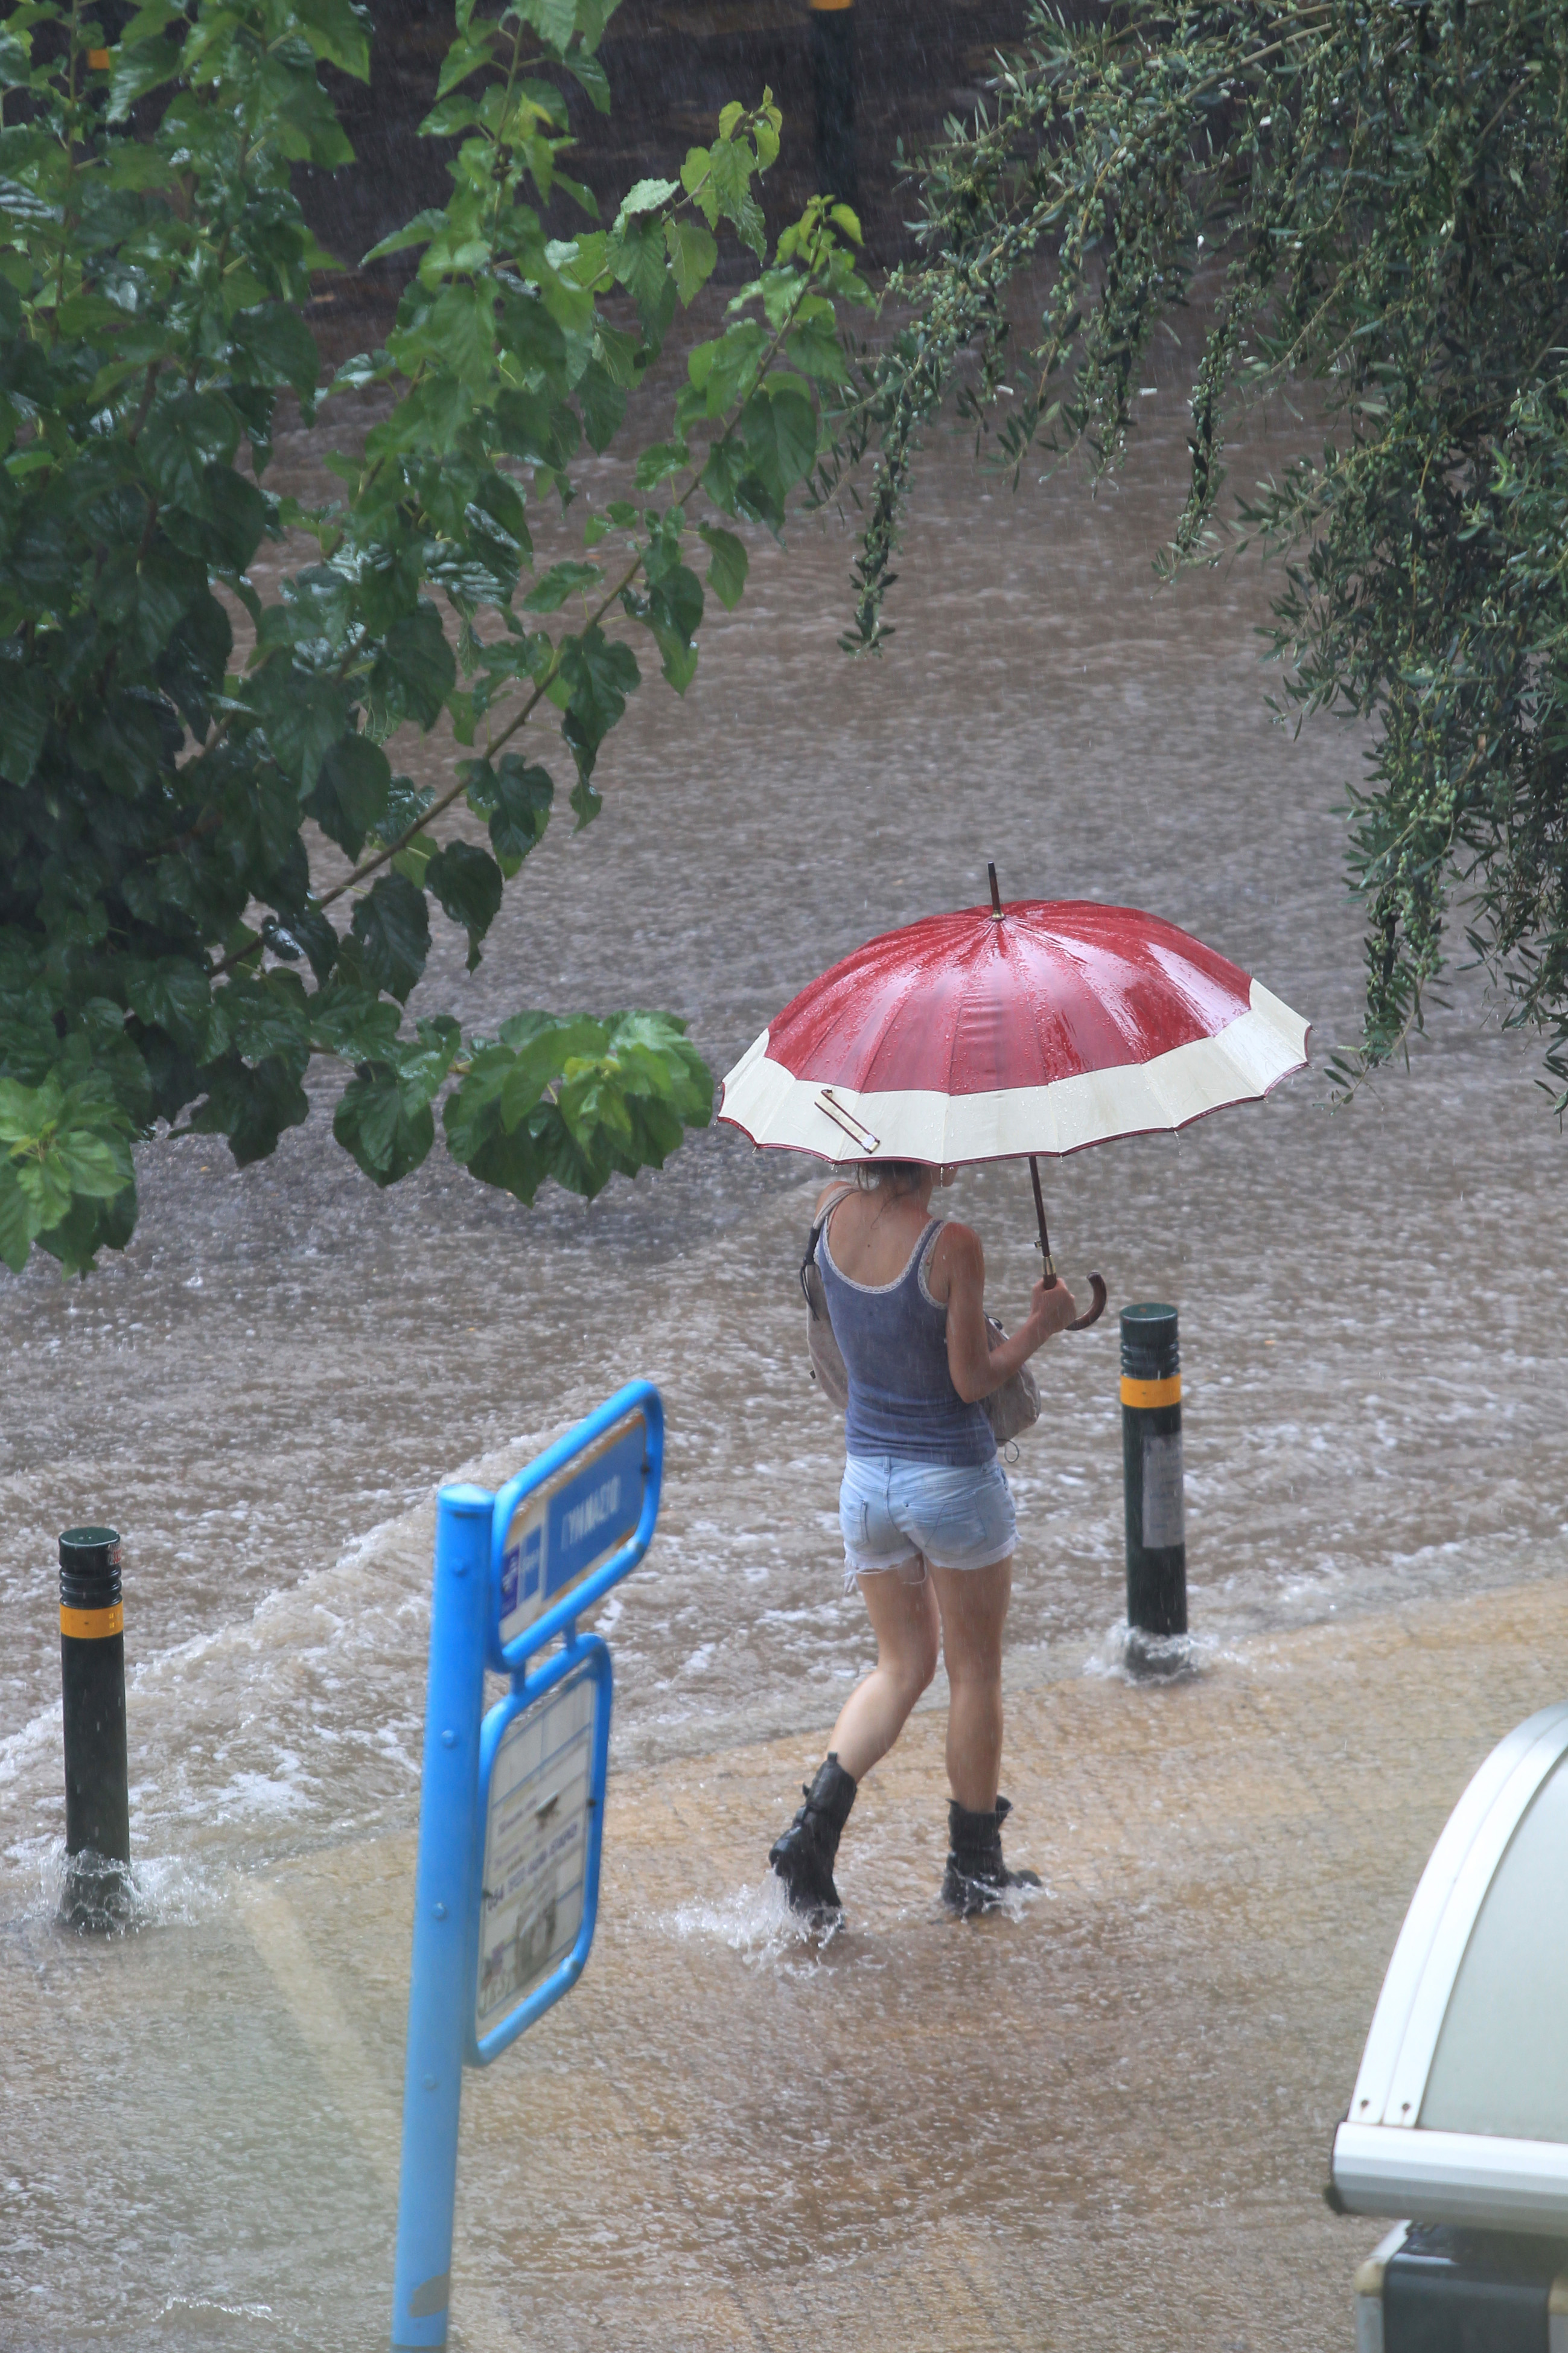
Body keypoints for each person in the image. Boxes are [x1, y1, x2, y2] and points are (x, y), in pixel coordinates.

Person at [768, 1160, 1079, 1924]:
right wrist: (1043, 1326)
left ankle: (813, 1832)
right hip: (950, 1486)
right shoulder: (952, 1247)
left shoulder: (829, 1206)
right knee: (974, 1675)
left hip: (866, 1485)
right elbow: (971, 1380)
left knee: (900, 1666)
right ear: (936, 1157)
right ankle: (974, 1869)